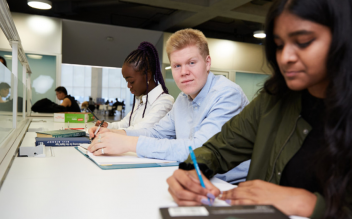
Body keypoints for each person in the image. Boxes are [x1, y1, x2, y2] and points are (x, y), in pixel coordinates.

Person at [166, 0, 352, 219]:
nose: (285, 57)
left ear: (346, 37)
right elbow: (218, 148)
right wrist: (192, 170)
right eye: (279, 45)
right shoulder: (273, 99)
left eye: (303, 41)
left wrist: (309, 204)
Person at [88, 29, 251, 183]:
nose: (184, 72)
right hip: (196, 178)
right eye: (177, 66)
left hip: (231, 185)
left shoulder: (227, 94)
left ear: (207, 63)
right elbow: (157, 132)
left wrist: (128, 143)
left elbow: (200, 150)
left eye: (192, 62)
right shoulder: (182, 99)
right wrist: (116, 133)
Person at [92, 42, 174, 130]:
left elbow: (139, 130)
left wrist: (110, 132)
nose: (128, 86)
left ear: (148, 76)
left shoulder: (165, 102)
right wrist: (108, 126)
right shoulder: (141, 99)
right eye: (127, 81)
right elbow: (125, 124)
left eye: (131, 81)